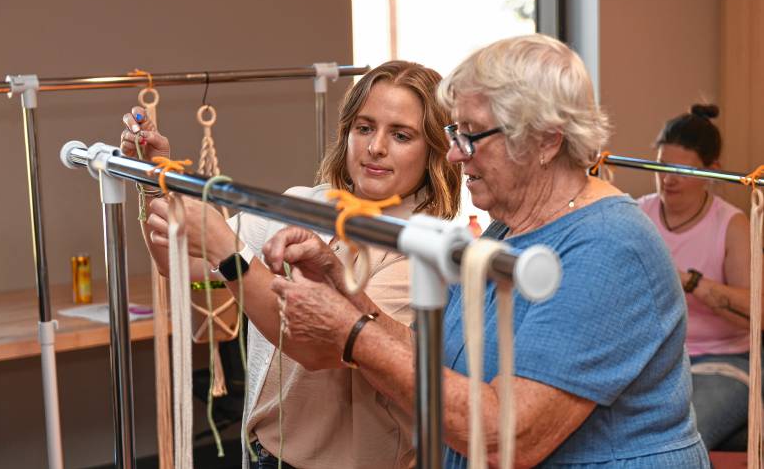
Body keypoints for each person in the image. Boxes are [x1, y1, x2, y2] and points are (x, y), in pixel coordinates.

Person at [264, 34, 710, 467]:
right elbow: (432, 354)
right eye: (454, 132)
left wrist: (350, 332)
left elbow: (507, 438)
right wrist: (347, 292)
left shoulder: (609, 247)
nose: (455, 156)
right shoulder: (507, 229)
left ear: (546, 140)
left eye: (472, 136)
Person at [119, 60, 461, 469]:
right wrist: (151, 176)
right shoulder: (301, 204)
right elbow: (178, 261)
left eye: (401, 135)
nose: (376, 148)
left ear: (434, 152)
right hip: (265, 453)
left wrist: (228, 251)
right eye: (364, 128)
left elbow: (320, 348)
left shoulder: (424, 250)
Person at [638, 104, 759, 451]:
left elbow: (756, 312)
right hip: (656, 360)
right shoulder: (639, 213)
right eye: (661, 166)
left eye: (680, 169)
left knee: (675, 442)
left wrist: (690, 282)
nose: (668, 179)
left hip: (725, 362)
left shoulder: (731, 225)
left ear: (712, 171)